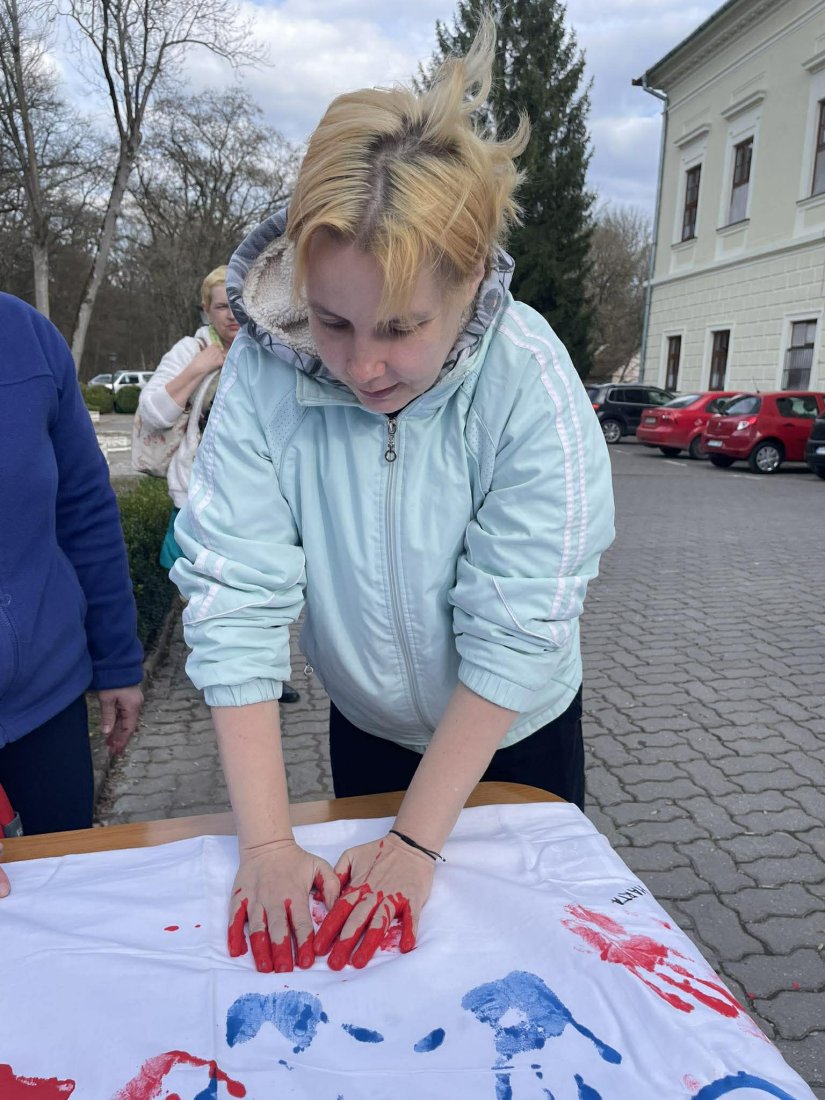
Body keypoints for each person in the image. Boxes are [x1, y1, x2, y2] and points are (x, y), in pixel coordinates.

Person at [172, 18, 614, 976]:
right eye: (332, 321)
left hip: (512, 732)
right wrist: (267, 844)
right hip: (367, 725)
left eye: (402, 327)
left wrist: (414, 843)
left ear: (470, 283)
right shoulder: (260, 374)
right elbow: (235, 592)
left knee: (519, 969)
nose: (361, 366)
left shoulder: (527, 379)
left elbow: (520, 619)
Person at [0, 293, 145, 897]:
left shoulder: (25, 333)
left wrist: (117, 660)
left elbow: (84, 507)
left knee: (67, 902)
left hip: (45, 702)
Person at [137, 268, 300, 703]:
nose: (231, 314)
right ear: (206, 310)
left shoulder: (270, 347)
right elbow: (154, 413)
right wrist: (200, 367)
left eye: (237, 304)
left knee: (265, 582)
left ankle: (265, 675)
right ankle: (222, 673)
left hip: (259, 494)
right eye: (221, 305)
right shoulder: (191, 349)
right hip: (199, 495)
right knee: (206, 591)